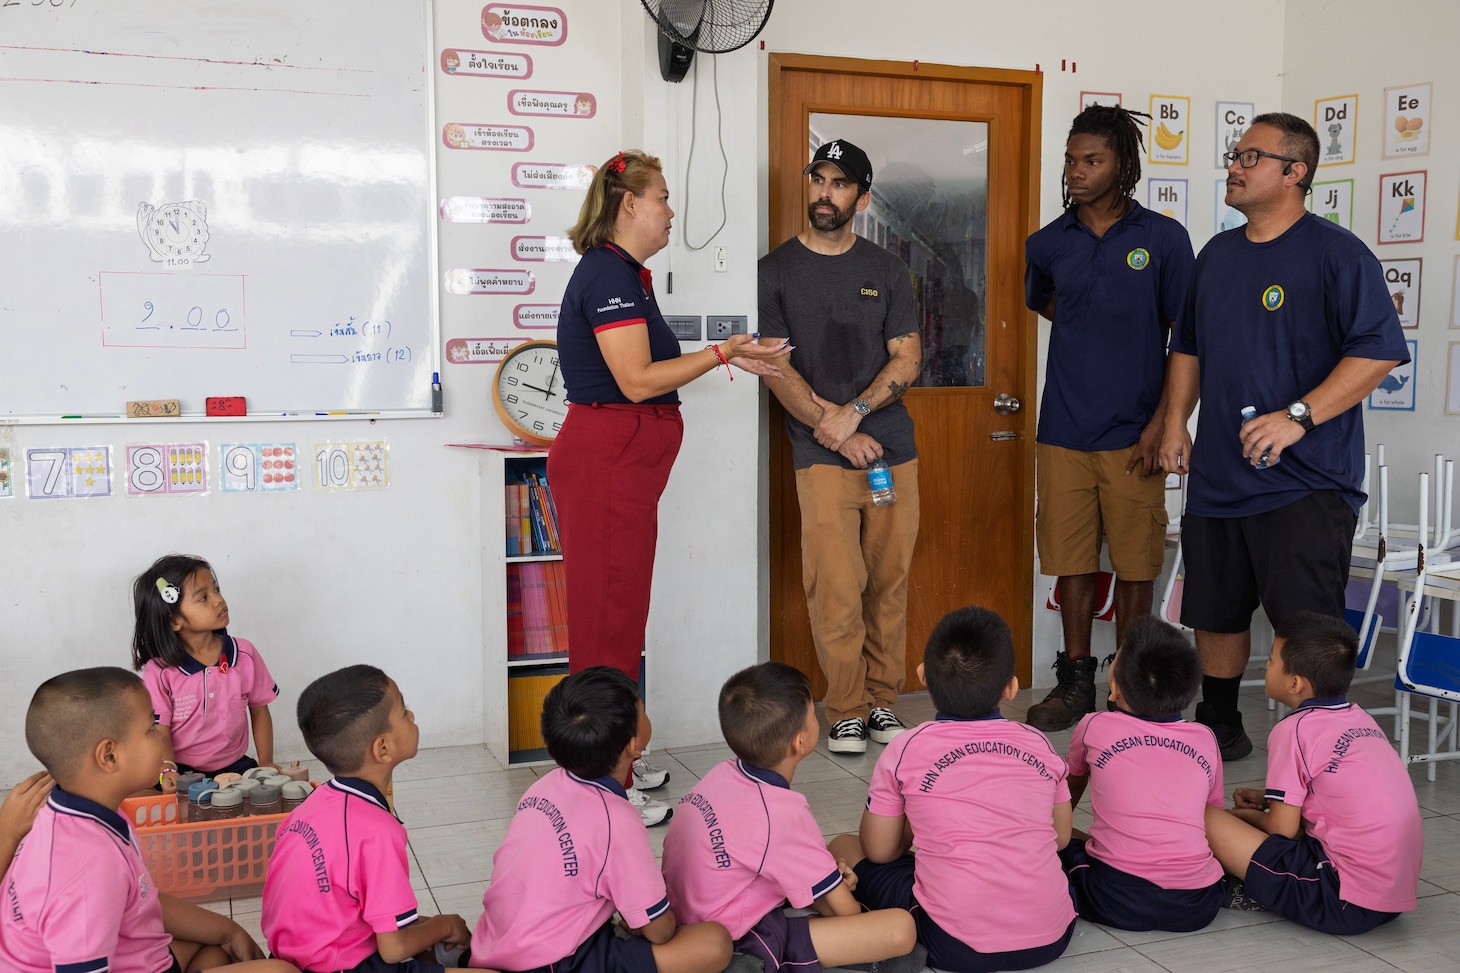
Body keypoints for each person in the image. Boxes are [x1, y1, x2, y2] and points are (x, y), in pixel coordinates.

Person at [1159, 112, 1409, 760]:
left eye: (1250, 156)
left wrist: (1297, 416)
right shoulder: (1215, 255)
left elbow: (1377, 353)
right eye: (1234, 155)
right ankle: (1220, 724)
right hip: (1218, 476)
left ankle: (1319, 744)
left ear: (1295, 172)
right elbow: (1186, 348)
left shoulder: (1337, 254)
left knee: (1306, 626)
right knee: (1214, 612)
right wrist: (1173, 424)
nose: (1233, 167)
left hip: (1305, 483)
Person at [550, 150, 789, 815]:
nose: (670, 210)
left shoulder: (629, 275)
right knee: (603, 628)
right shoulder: (607, 275)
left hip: (625, 468)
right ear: (629, 204)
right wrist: (721, 354)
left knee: (622, 620)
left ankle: (618, 755)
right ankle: (600, 783)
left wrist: (731, 351)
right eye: (662, 197)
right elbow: (636, 382)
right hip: (607, 465)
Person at [1023, 106, 1195, 730]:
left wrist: (1165, 421)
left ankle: (1134, 685)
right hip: (1063, 430)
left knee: (1136, 563)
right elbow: (1052, 307)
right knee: (1071, 560)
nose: (1076, 172)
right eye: (1071, 160)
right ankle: (1075, 684)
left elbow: (1188, 339)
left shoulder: (1164, 240)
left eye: (1091, 160)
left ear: (1123, 164)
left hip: (1136, 434)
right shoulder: (1046, 244)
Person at [758, 137, 922, 754]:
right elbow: (774, 365)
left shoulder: (886, 270)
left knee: (889, 579)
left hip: (892, 450)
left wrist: (854, 414)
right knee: (834, 582)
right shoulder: (773, 270)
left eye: (839, 183)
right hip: (819, 452)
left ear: (861, 196)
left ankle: (883, 702)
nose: (824, 194)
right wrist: (833, 428)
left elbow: (907, 357)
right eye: (818, 180)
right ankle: (846, 707)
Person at [828, 607, 1076, 972]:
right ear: (1011, 687)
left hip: (955, 945)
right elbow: (1060, 838)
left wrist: (918, 822)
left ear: (923, 676)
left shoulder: (906, 748)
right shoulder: (1038, 743)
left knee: (844, 846)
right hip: (1053, 936)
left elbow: (880, 852)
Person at [0, 667, 295, 973]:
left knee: (218, 948)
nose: (163, 734)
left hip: (135, 954)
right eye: (152, 727)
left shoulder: (84, 812)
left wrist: (231, 931)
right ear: (109, 756)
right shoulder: (87, 868)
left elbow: (142, 898)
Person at [661, 662, 923, 973]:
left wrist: (827, 882)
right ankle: (747, 963)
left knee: (835, 861)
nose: (817, 719)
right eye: (814, 714)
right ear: (799, 741)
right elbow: (847, 913)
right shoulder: (781, 812)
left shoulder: (722, 774)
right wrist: (853, 912)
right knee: (900, 930)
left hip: (688, 918)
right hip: (734, 936)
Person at [468, 666, 733, 973]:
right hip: (553, 963)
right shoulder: (617, 820)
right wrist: (649, 921)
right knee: (715, 943)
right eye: (643, 709)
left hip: (492, 947)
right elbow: (660, 931)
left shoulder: (543, 786)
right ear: (635, 745)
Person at [1204, 612, 1422, 933]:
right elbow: (1336, 796)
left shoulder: (1295, 729)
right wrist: (1268, 799)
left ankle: (1225, 883)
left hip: (1341, 900)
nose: (1266, 665)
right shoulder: (1361, 719)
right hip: (1390, 899)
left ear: (1295, 683)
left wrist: (1240, 817)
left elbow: (1283, 831)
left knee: (1203, 816)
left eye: (1272, 660)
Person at [262, 665, 472, 973]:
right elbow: (393, 949)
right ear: (383, 748)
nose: (412, 717)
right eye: (404, 711)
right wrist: (445, 925)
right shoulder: (379, 831)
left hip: (298, 956)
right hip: (344, 967)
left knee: (433, 939)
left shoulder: (313, 803)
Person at [1061, 615, 1226, 932]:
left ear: (1115, 689)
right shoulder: (1205, 738)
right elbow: (1211, 815)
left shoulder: (1094, 726)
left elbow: (1066, 794)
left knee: (1060, 851)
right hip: (1199, 903)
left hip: (1116, 898)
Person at [132, 554, 278, 781]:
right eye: (203, 597)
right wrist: (168, 768)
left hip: (236, 768)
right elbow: (160, 729)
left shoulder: (244, 653)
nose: (218, 600)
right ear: (174, 621)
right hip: (181, 772)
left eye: (216, 590)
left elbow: (259, 710)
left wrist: (266, 761)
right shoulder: (159, 671)